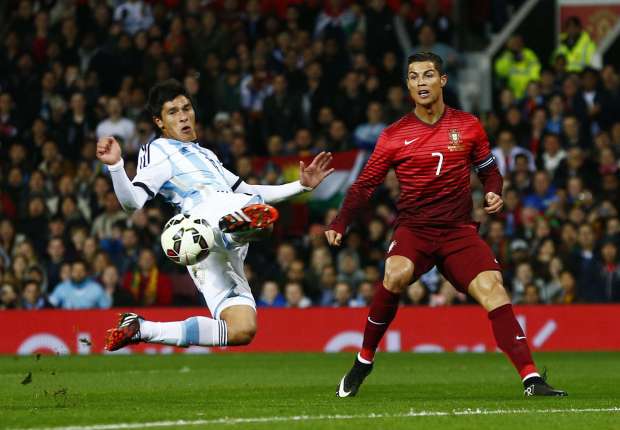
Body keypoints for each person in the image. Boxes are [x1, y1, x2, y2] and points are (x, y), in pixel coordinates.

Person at [325, 52, 566, 398]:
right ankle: (364, 360)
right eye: (413, 77)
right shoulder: (393, 135)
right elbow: (364, 185)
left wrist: (494, 192)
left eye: (427, 75)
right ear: (407, 85)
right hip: (415, 228)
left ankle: (531, 379)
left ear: (442, 81)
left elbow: (489, 171)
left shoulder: (467, 126)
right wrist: (341, 220)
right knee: (394, 273)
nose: (420, 82)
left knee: (494, 289)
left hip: (458, 231)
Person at [98, 79, 332, 351]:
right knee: (259, 220)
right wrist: (116, 167)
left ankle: (142, 328)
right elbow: (133, 202)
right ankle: (239, 228)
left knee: (242, 330)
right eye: (173, 112)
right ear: (159, 122)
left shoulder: (206, 154)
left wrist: (300, 186)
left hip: (216, 249)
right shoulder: (158, 151)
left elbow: (246, 189)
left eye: (186, 108)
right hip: (202, 221)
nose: (183, 116)